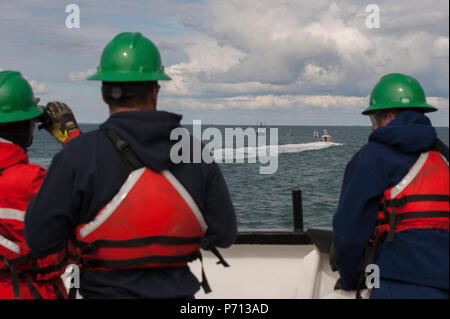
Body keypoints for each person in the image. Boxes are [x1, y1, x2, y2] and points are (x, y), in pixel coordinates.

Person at [25, 32, 237, 299]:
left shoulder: (77, 155)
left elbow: (40, 240)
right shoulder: (194, 152)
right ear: (154, 92)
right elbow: (224, 234)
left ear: (104, 94)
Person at [332, 73, 449, 299]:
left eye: (374, 120)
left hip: (397, 283)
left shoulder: (371, 158)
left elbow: (348, 237)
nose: (373, 128)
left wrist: (349, 279)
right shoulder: (444, 156)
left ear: (389, 116)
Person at [0, 70, 80, 298]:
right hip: (30, 291)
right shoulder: (34, 182)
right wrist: (72, 139)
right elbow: (93, 193)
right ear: (27, 125)